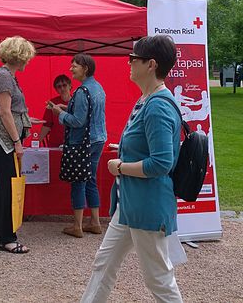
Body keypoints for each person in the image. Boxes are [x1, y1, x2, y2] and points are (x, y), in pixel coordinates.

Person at [81, 35, 183, 303]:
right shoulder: (147, 100)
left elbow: (161, 163)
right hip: (131, 205)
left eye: (132, 59)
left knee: (158, 279)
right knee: (104, 263)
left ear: (151, 64)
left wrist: (121, 167)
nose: (128, 63)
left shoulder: (157, 106)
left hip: (146, 207)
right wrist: (125, 151)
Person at [0, 36, 36, 254]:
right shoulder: (4, 76)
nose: (28, 61)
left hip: (5, 136)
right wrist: (16, 142)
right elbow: (4, 112)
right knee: (10, 184)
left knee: (4, 182)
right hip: (4, 137)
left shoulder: (7, 76)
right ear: (20, 56)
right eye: (27, 57)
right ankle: (6, 237)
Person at [48, 54, 107, 238]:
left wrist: (59, 113)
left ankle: (77, 226)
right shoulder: (97, 87)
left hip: (82, 142)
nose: (71, 68)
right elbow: (89, 112)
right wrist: (65, 107)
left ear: (85, 68)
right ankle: (95, 222)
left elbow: (78, 121)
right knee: (91, 180)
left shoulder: (82, 91)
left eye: (74, 66)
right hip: (98, 139)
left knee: (78, 182)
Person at [37, 74, 72, 147]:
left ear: (70, 86)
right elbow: (46, 125)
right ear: (56, 90)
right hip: (55, 144)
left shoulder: (77, 102)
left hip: (72, 144)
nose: (62, 88)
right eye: (59, 86)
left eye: (64, 85)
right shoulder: (52, 103)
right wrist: (37, 142)